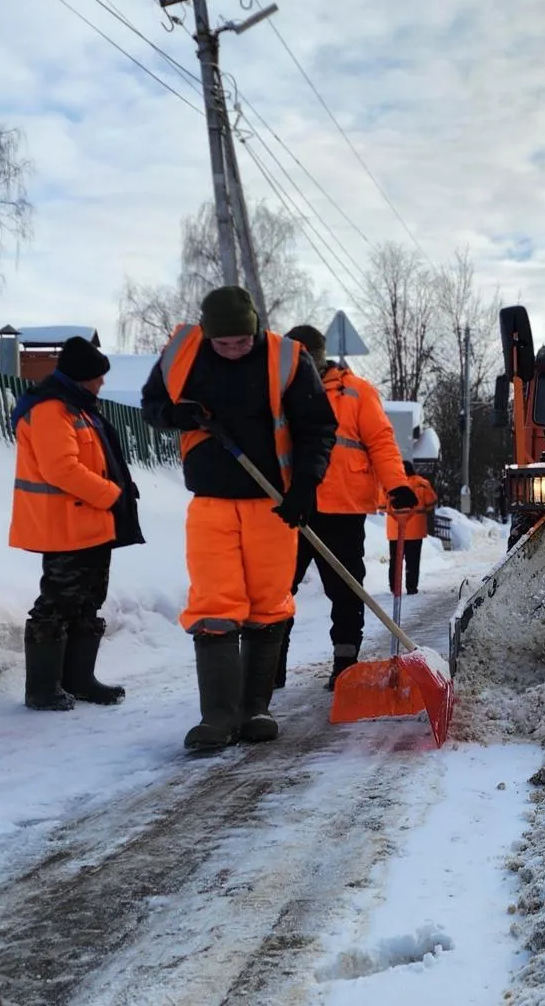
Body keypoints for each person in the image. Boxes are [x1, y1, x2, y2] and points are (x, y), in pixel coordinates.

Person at [140, 287, 337, 753]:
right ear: (207, 334)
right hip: (210, 499)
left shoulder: (289, 359)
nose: (232, 350)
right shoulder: (183, 353)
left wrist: (306, 485)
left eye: (241, 342)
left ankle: (255, 709)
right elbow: (152, 407)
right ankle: (218, 717)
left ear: (255, 328)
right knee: (214, 603)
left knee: (268, 605)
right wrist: (177, 414)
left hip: (272, 502)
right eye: (223, 344)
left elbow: (317, 426)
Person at [283, 324, 422, 691]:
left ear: (319, 355)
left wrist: (398, 485)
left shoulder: (357, 393)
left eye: (306, 357)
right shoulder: (275, 390)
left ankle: (345, 664)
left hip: (342, 509)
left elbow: (381, 441)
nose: (302, 365)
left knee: (345, 590)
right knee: (277, 589)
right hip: (289, 507)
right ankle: (270, 666)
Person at [8, 336, 144, 710]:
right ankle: (42, 690)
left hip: (90, 523)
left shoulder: (76, 407)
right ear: (83, 377)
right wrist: (111, 494)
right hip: (63, 526)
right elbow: (61, 468)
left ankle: (78, 681)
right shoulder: (52, 410)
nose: (102, 383)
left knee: (87, 601)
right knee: (57, 602)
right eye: (98, 377)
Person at [384, 462, 440, 597]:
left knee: (395, 560)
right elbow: (431, 501)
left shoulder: (390, 484)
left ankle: (394, 587)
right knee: (413, 560)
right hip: (415, 530)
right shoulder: (422, 483)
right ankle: (411, 587)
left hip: (395, 530)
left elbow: (381, 504)